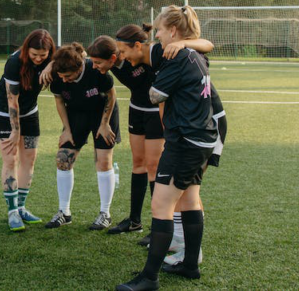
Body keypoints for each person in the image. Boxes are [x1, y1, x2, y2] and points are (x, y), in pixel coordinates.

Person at [117, 6, 218, 290]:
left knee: (161, 205)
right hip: (201, 139)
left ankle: (149, 278)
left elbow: (155, 95)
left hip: (185, 141)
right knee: (188, 200)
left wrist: (158, 82)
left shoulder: (177, 56)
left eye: (159, 30)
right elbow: (205, 45)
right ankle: (189, 266)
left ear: (172, 31)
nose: (156, 35)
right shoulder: (194, 52)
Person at [86, 29, 213, 240]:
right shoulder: (110, 59)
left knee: (154, 167)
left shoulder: (142, 55)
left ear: (115, 57)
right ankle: (134, 221)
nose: (94, 66)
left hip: (157, 112)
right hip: (137, 110)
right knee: (138, 164)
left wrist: (181, 44)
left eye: (98, 62)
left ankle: (159, 226)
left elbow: (206, 45)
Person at [45, 42, 120, 231]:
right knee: (63, 159)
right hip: (76, 114)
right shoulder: (57, 76)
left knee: (103, 161)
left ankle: (105, 213)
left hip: (102, 113)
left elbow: (111, 96)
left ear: (80, 68)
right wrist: (67, 129)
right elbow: (59, 100)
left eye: (68, 76)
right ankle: (64, 212)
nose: (64, 80)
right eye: (61, 76)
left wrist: (104, 124)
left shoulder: (96, 71)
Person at [0, 29, 55, 231]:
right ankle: (12, 212)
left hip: (30, 113)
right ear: (27, 49)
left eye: (42, 56)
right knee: (11, 160)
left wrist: (51, 64)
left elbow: (80, 54)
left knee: (30, 159)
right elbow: (12, 99)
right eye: (34, 54)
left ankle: (21, 207)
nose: (37, 59)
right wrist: (15, 130)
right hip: (5, 113)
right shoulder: (14, 62)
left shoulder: (52, 56)